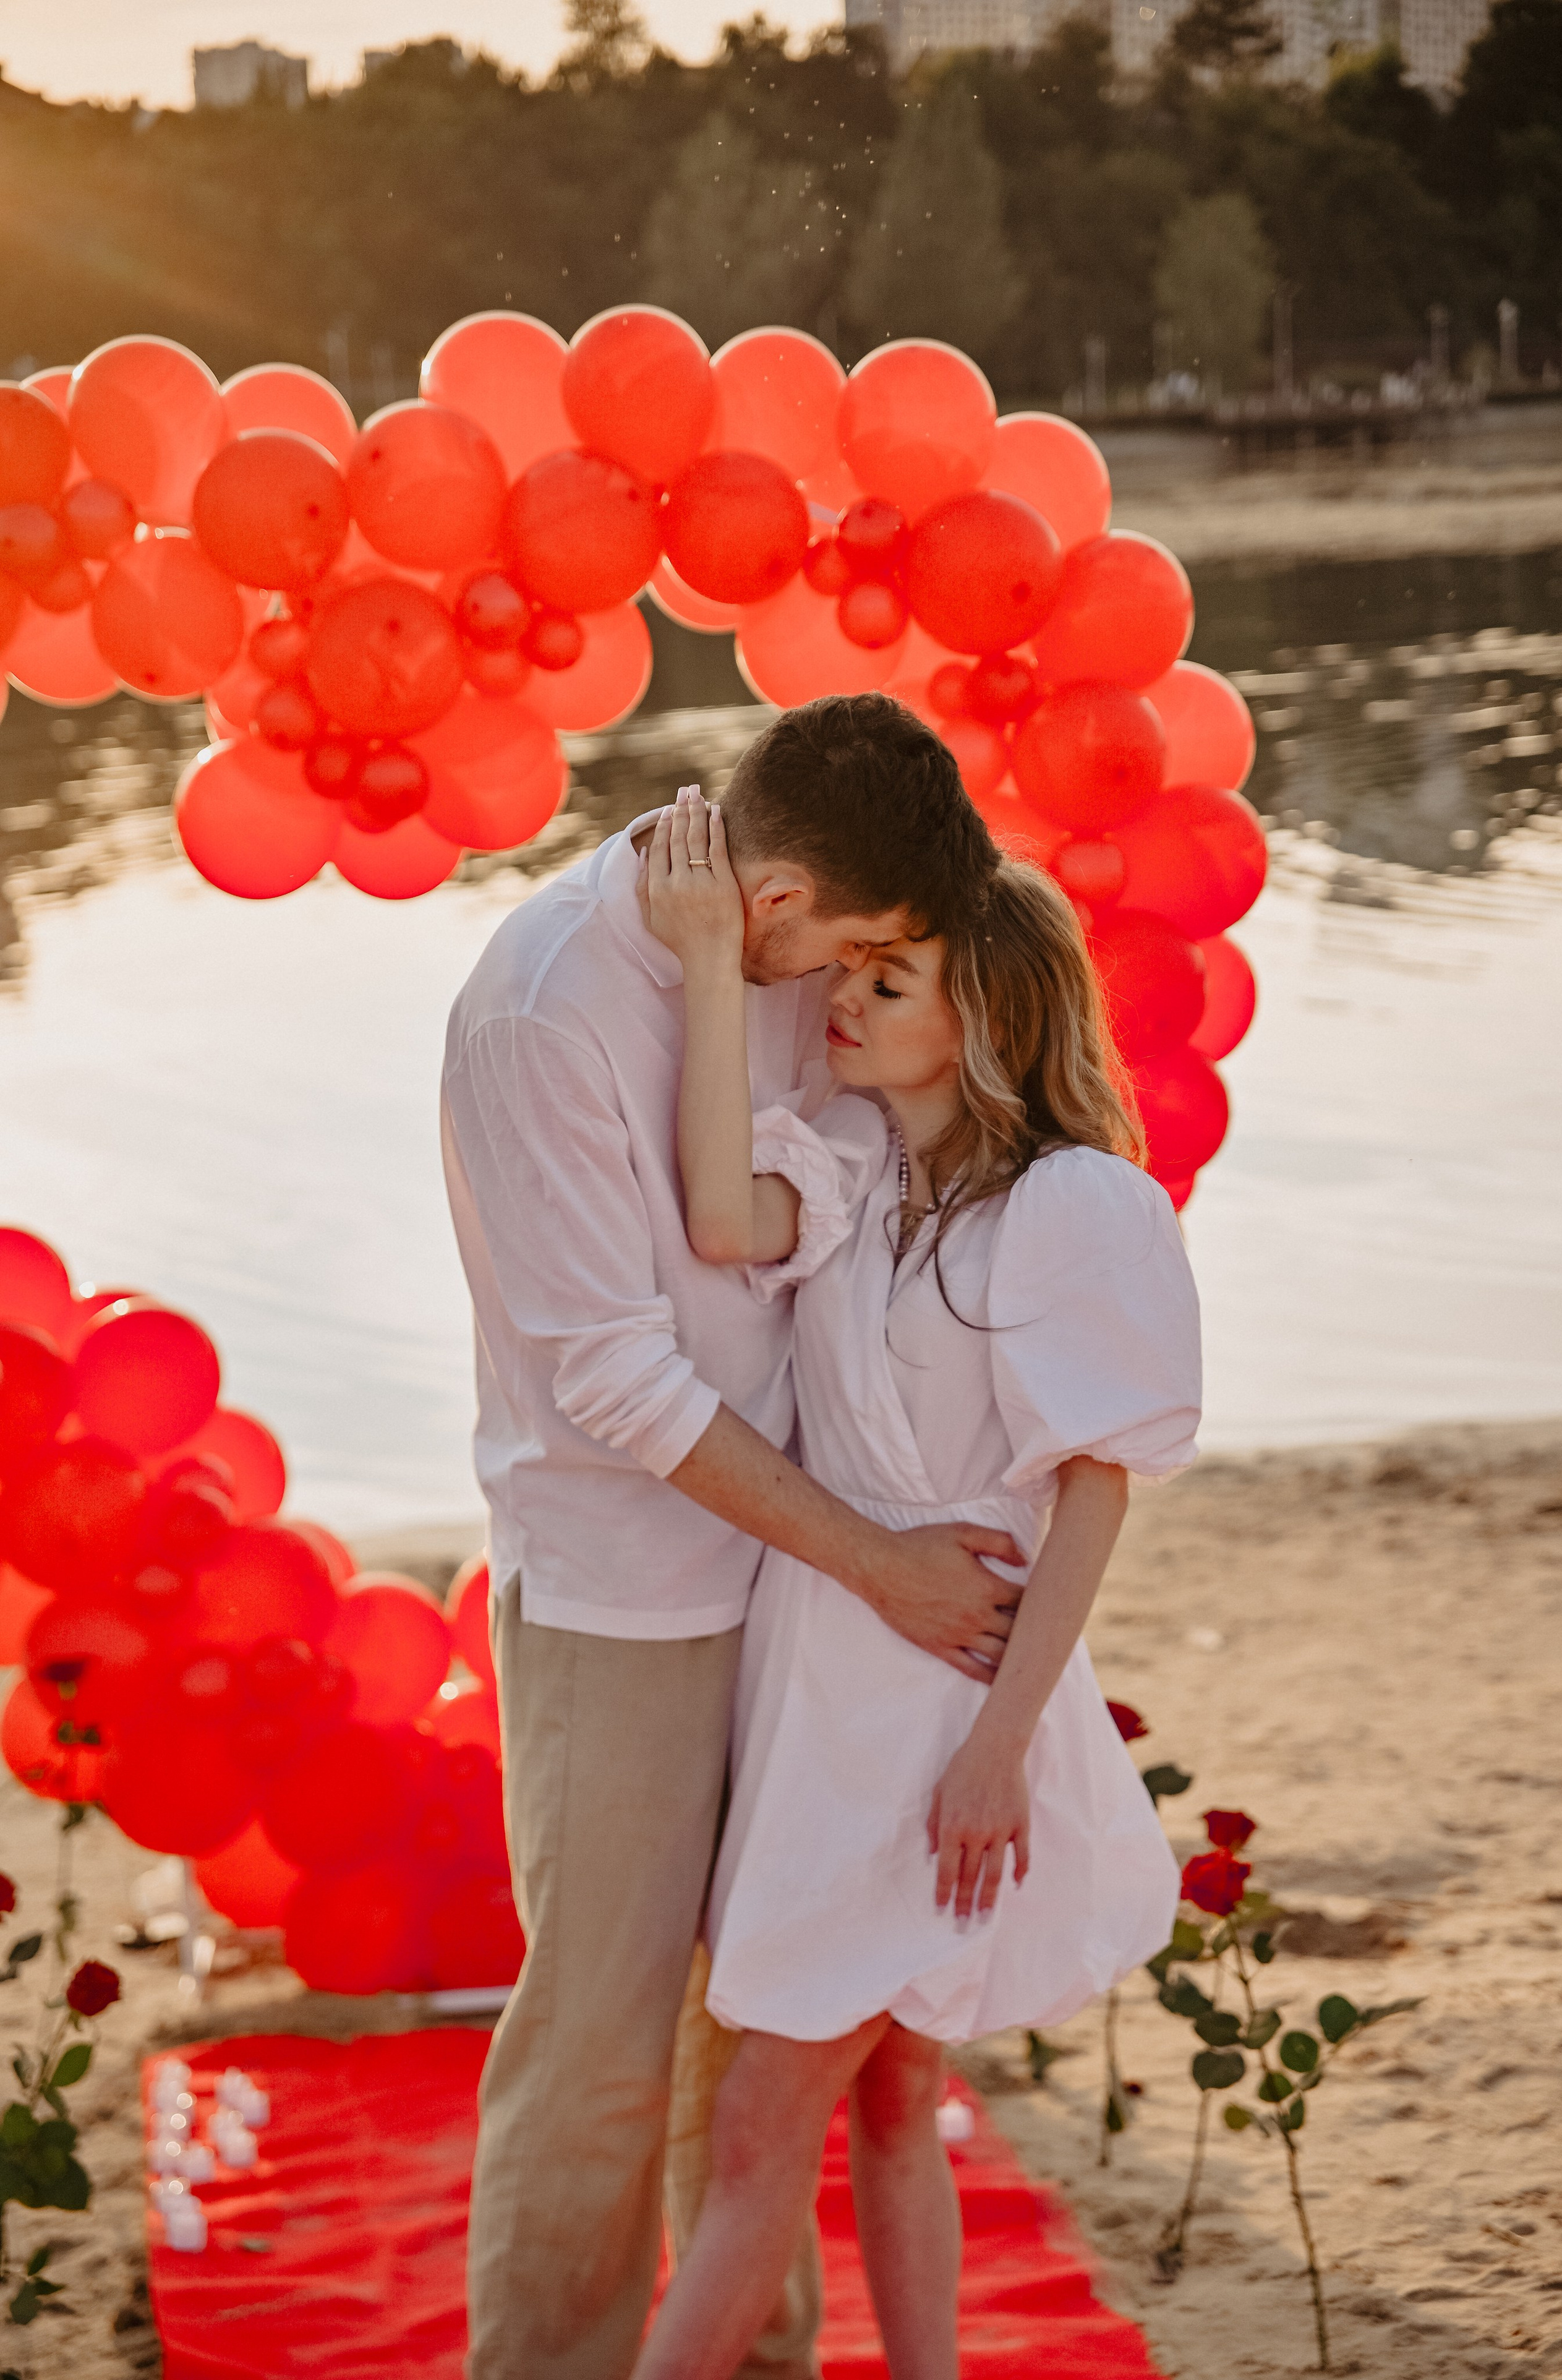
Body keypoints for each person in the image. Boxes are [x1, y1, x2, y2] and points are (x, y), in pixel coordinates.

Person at [441, 697, 1021, 2380]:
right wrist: (876, 1558)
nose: (859, 988)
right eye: (852, 950)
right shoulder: (539, 1014)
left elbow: (840, 1166)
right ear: (769, 902)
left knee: (754, 2000)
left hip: (803, 1577)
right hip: (626, 1597)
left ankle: (743, 2353)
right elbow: (616, 1375)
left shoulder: (781, 966)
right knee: (603, 2046)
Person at [631, 798, 1201, 2380]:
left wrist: (1000, 1747)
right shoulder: (855, 1171)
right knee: (877, 2096)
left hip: (955, 1696)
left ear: (986, 1013)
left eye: (890, 980)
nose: (847, 998)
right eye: (853, 972)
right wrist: (697, 968)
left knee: (765, 2128)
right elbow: (717, 1217)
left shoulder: (1073, 1204)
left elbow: (1090, 1490)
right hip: (826, 1672)